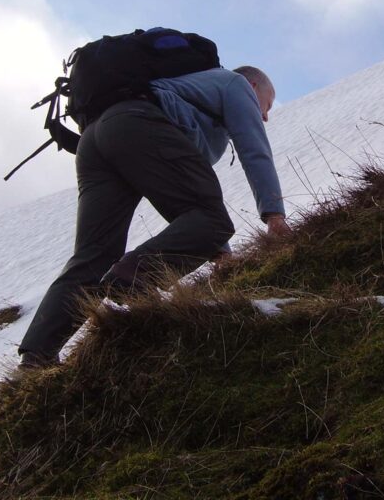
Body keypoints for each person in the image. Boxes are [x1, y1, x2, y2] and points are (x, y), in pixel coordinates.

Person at [18, 65, 290, 368]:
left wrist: (219, 253)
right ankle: (130, 279)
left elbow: (184, 193)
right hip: (136, 124)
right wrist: (274, 215)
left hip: (95, 140)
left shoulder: (189, 96)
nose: (264, 115)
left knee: (93, 254)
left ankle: (36, 355)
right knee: (214, 222)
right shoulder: (236, 85)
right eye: (266, 104)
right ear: (253, 86)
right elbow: (254, 150)